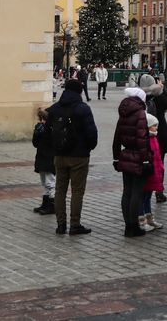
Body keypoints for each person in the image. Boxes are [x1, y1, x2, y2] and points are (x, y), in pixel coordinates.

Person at [47, 78, 99, 235]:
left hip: (60, 155)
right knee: (77, 191)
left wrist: (56, 147)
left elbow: (49, 131)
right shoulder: (83, 109)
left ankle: (60, 225)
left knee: (60, 190)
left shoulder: (54, 108)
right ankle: (75, 225)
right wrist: (87, 148)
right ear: (79, 91)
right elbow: (92, 133)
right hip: (79, 156)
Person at [112, 86, 154, 237]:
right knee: (137, 192)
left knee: (127, 192)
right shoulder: (140, 113)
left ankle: (127, 226)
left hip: (125, 155)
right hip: (138, 156)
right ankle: (134, 226)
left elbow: (116, 138)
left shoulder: (123, 113)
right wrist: (145, 160)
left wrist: (116, 157)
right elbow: (142, 138)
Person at [141, 73, 167, 202]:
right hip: (158, 134)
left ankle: (145, 189)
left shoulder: (139, 97)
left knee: (146, 164)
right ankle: (159, 191)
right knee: (159, 164)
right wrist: (161, 89)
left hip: (144, 135)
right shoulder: (157, 96)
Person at [140, 115, 165, 231]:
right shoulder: (146, 140)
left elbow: (158, 157)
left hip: (154, 172)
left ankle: (149, 217)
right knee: (143, 196)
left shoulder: (154, 138)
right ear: (148, 127)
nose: (156, 128)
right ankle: (142, 220)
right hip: (148, 172)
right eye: (154, 126)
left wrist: (160, 168)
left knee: (148, 196)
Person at [31, 107, 56, 215]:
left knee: (50, 182)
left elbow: (53, 143)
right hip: (41, 157)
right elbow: (35, 143)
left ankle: (52, 205)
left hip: (50, 158)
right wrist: (36, 133)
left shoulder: (52, 128)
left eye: (42, 119)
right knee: (44, 182)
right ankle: (45, 203)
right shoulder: (40, 128)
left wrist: (44, 131)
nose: (41, 121)